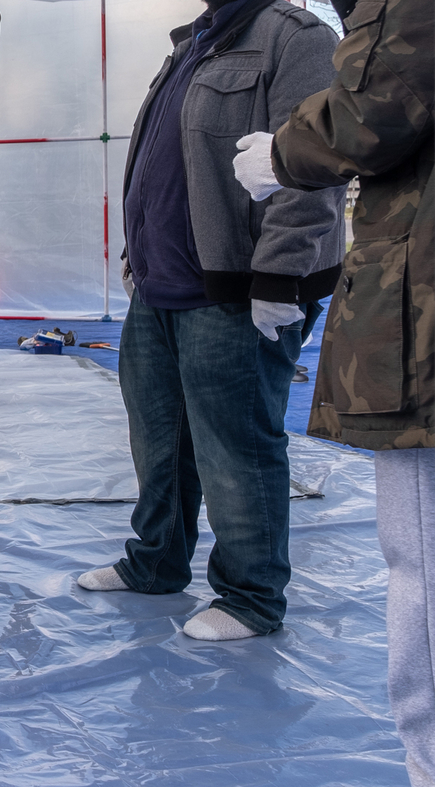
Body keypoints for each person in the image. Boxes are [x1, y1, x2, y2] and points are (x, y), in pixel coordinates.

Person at [75, 0, 344, 642]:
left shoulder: (294, 37)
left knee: (236, 445)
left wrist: (280, 275)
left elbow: (313, 164)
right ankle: (157, 562)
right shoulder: (195, 44)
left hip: (236, 290)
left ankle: (250, 597)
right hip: (160, 286)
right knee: (158, 439)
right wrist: (136, 253)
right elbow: (161, 164)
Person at [231, 0, 432, 776]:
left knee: (421, 561)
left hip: (420, 316)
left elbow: (374, 107)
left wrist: (284, 154)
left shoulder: (300, 36)